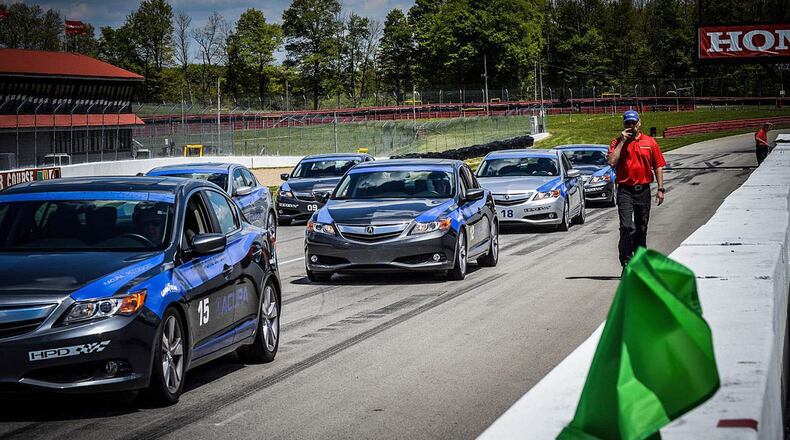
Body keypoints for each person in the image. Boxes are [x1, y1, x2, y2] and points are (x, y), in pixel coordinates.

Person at [607, 110, 667, 268]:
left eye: (633, 123)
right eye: (628, 123)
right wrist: (622, 143)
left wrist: (660, 189)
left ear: (639, 123)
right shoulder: (617, 142)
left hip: (643, 190)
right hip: (625, 190)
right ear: (623, 124)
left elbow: (658, 166)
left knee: (641, 228)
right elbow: (612, 162)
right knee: (627, 226)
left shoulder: (650, 142)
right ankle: (626, 262)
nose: (631, 126)